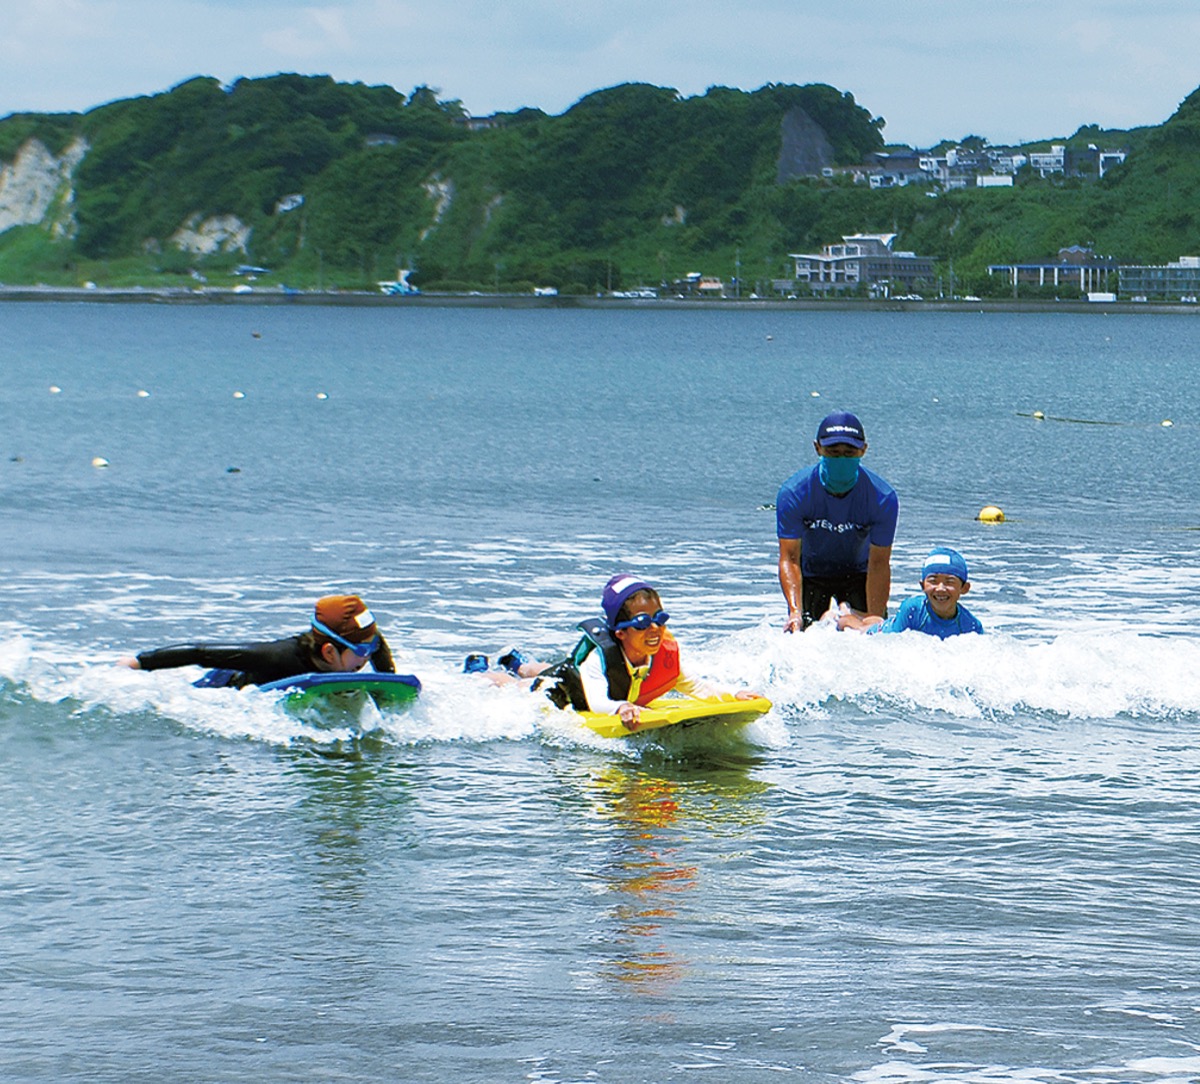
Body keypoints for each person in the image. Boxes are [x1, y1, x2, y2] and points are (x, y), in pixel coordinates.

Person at [534, 574, 762, 730]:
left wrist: (735, 694)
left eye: (660, 619)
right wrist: (620, 707)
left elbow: (697, 687)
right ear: (620, 633)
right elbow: (597, 702)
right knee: (527, 684)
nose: (655, 628)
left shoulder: (662, 656)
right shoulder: (597, 660)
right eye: (642, 623)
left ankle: (524, 666)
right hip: (564, 689)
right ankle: (514, 671)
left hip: (603, 683)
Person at [776, 410, 899, 631]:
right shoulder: (794, 493)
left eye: (849, 453)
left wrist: (875, 616)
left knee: (869, 632)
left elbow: (879, 563)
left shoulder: (882, 497)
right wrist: (795, 611)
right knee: (804, 634)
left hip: (859, 574)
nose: (841, 459)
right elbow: (789, 558)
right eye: (833, 452)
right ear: (817, 448)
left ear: (863, 450)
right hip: (811, 573)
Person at [117, 594, 396, 687]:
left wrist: (390, 682)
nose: (369, 655)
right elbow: (200, 652)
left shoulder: (365, 646)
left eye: (373, 645)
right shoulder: (278, 657)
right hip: (224, 684)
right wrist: (139, 662)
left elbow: (378, 646)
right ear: (329, 651)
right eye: (363, 649)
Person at [838, 547, 983, 638]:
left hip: (890, 622)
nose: (940, 588)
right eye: (933, 581)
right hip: (884, 631)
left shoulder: (971, 626)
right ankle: (842, 612)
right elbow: (888, 646)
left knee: (876, 620)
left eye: (949, 582)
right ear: (922, 585)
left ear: (964, 588)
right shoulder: (913, 610)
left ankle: (853, 611)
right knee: (858, 628)